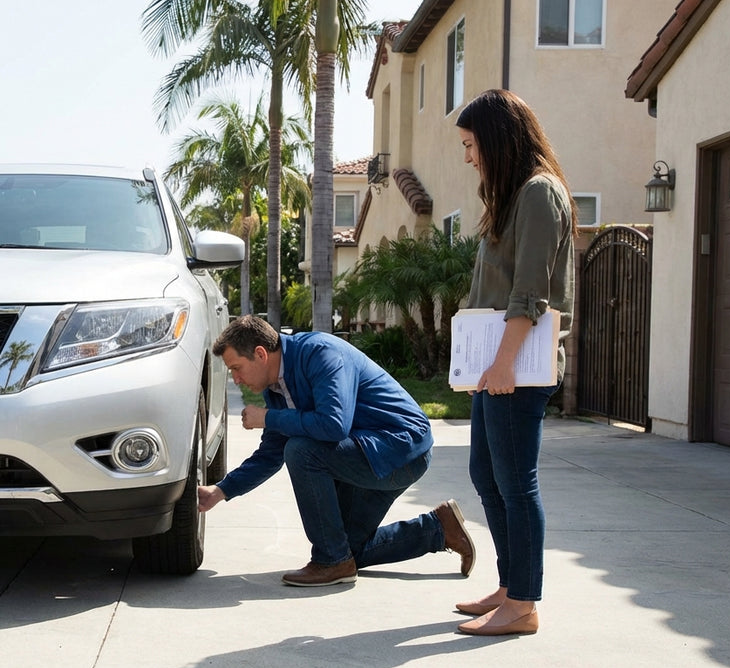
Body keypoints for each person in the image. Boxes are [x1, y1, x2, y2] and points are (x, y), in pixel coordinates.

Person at [198, 315, 475, 588]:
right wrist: (220, 491)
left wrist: (268, 418)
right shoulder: (276, 389)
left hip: (400, 451)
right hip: (368, 452)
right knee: (348, 549)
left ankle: (330, 562)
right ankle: (439, 529)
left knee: (301, 451)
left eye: (237, 368)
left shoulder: (320, 353)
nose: (235, 379)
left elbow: (333, 425)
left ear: (260, 354)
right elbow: (271, 454)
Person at [452, 89, 577, 636]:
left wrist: (502, 365)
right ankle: (510, 584)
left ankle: (524, 603)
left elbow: (530, 292)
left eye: (471, 144)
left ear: (498, 139)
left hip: (518, 368)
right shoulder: (511, 196)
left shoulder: (538, 194)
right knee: (488, 473)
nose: (468, 156)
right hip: (496, 365)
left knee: (515, 481)